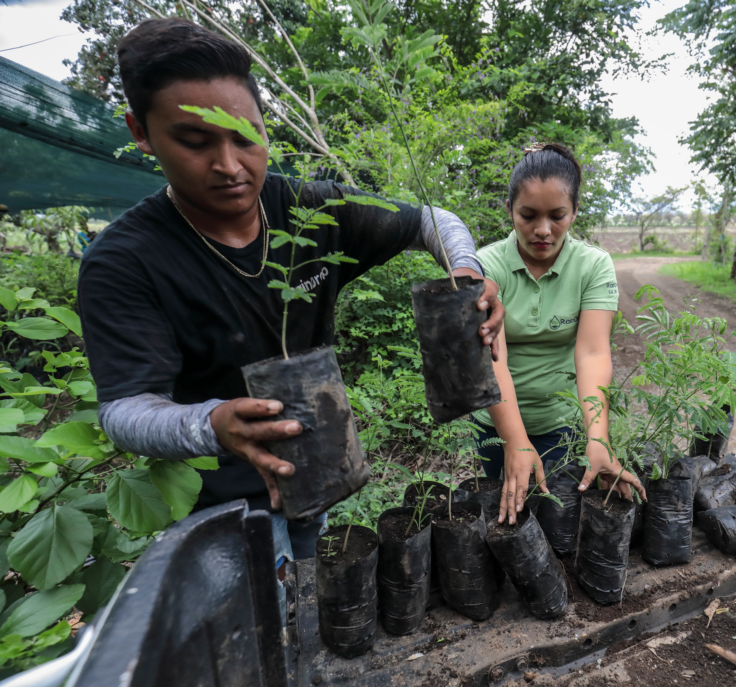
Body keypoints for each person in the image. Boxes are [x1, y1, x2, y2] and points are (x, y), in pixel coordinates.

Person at [78, 18, 503, 559]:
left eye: (246, 136)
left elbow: (431, 219)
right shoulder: (124, 261)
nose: (229, 166)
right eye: (194, 141)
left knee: (316, 597)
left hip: (319, 471)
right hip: (216, 505)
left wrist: (464, 271)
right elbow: (124, 411)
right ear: (140, 131)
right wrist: (212, 423)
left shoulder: (309, 210)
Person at [472, 143, 645, 524]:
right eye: (528, 215)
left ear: (575, 212)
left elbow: (593, 354)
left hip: (561, 424)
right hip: (497, 426)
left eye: (558, 216)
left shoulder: (592, 266)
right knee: (504, 525)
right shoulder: (486, 265)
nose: (543, 231)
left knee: (555, 526)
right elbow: (490, 357)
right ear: (509, 210)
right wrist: (515, 440)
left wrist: (598, 439)